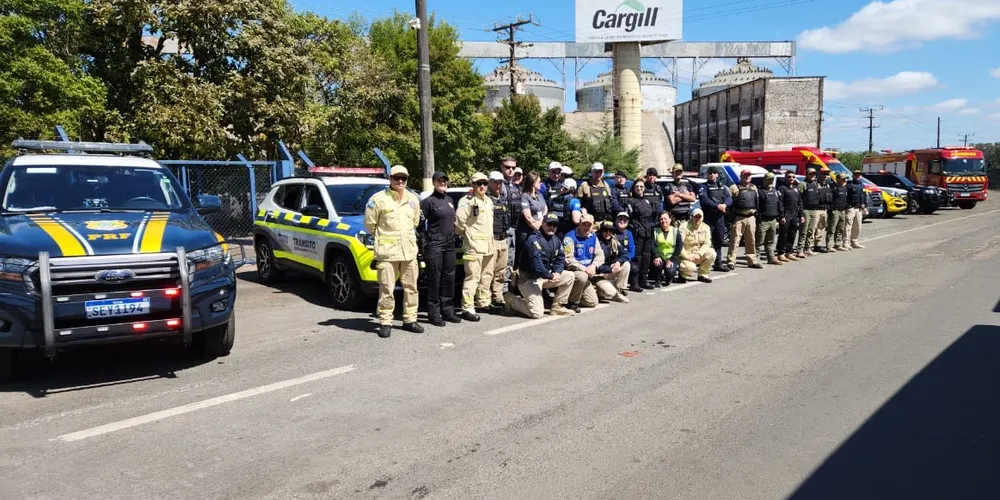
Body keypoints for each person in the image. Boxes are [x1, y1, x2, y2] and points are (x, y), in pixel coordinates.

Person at [364, 165, 424, 338]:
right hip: (387, 253)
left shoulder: (413, 199)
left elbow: (415, 222)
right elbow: (370, 225)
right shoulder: (378, 199)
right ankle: (385, 322)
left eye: (403, 178)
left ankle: (410, 320)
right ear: (390, 179)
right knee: (386, 289)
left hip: (409, 252)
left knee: (411, 288)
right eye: (396, 178)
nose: (400, 181)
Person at [504, 213, 577, 319]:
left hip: (545, 276)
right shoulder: (533, 239)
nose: (552, 227)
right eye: (549, 224)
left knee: (569, 276)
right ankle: (511, 300)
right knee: (537, 313)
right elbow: (536, 265)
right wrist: (550, 276)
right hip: (529, 279)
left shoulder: (556, 240)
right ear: (542, 223)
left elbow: (560, 259)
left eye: (555, 225)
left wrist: (557, 272)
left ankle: (558, 307)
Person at [418, 171, 460, 328]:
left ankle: (448, 311)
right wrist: (424, 241)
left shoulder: (449, 200)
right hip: (435, 243)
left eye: (444, 181)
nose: (443, 183)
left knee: (449, 277)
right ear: (434, 183)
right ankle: (434, 313)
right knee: (434, 279)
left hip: (449, 242)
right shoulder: (428, 202)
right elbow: (419, 224)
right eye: (439, 181)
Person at [455, 172, 495, 322]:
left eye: (485, 183)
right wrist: (466, 235)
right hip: (473, 247)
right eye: (479, 184)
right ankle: (467, 307)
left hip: (488, 246)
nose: (482, 186)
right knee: (473, 277)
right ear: (472, 185)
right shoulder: (467, 201)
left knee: (486, 276)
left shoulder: (488, 201)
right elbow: (459, 222)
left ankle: (483, 302)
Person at [562, 214, 602, 311]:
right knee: (582, 276)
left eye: (589, 225)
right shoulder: (569, 237)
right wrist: (585, 269)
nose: (586, 227)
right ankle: (572, 302)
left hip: (588, 272)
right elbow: (568, 259)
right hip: (573, 271)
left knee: (592, 302)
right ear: (579, 224)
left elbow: (600, 255)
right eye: (584, 224)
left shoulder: (593, 237)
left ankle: (568, 297)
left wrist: (593, 266)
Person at [726, 169, 763, 270]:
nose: (747, 177)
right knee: (735, 240)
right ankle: (731, 261)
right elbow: (728, 201)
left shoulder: (753, 187)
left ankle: (752, 261)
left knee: (751, 239)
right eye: (745, 175)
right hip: (739, 217)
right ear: (741, 176)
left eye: (749, 175)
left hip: (751, 217)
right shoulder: (734, 187)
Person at [486, 171, 511, 312]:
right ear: (489, 182)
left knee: (501, 271)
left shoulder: (503, 198)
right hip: (492, 239)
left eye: (500, 182)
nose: (498, 184)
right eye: (495, 182)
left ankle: (498, 296)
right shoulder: (486, 199)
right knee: (488, 271)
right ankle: (485, 298)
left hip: (503, 238)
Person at [623, 179, 655, 291]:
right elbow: (627, 217)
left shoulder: (647, 201)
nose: (639, 188)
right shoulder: (631, 202)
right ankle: (634, 283)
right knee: (637, 258)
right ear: (634, 188)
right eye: (637, 186)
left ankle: (643, 281)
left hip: (647, 233)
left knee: (646, 257)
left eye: (641, 186)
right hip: (637, 234)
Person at [698, 166, 732, 272]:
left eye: (714, 173)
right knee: (706, 241)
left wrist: (725, 205)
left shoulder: (722, 186)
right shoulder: (703, 187)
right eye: (710, 173)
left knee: (719, 240)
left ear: (717, 174)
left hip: (719, 218)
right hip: (708, 217)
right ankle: (704, 263)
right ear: (707, 175)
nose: (712, 175)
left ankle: (718, 263)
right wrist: (717, 205)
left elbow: (729, 198)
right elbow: (704, 200)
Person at [594, 221, 630, 303]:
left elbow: (625, 254)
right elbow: (594, 264)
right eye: (605, 230)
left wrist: (618, 262)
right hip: (598, 274)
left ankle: (620, 290)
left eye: (610, 231)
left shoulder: (614, 240)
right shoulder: (595, 242)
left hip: (610, 271)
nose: (608, 233)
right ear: (601, 231)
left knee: (626, 264)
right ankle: (602, 291)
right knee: (608, 293)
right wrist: (610, 270)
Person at [515, 171, 546, 265]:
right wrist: (536, 226)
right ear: (533, 183)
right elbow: (528, 217)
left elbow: (545, 208)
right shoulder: (525, 196)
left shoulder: (539, 195)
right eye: (539, 182)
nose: (541, 184)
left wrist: (541, 220)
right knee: (524, 258)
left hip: (539, 230)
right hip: (527, 232)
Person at [679, 208, 715, 283]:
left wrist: (699, 254)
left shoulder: (706, 227)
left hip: (697, 254)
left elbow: (707, 243)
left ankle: (703, 274)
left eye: (699, 217)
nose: (697, 219)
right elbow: (679, 244)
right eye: (695, 216)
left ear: (703, 217)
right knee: (691, 268)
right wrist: (687, 256)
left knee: (712, 253)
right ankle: (682, 275)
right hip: (686, 255)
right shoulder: (683, 227)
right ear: (692, 217)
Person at [757, 172, 785, 265]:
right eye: (768, 179)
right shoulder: (759, 192)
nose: (770, 181)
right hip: (763, 220)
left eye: (772, 180)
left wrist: (781, 216)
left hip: (773, 220)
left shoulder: (775, 191)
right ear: (764, 180)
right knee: (759, 241)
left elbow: (779, 204)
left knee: (770, 241)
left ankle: (771, 257)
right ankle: (756, 258)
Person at [777, 170, 804, 261]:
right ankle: (781, 253)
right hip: (786, 214)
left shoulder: (796, 188)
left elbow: (800, 202)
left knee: (792, 234)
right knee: (783, 234)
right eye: (789, 177)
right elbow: (780, 203)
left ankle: (789, 252)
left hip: (794, 214)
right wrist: (782, 216)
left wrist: (801, 215)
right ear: (785, 178)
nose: (791, 178)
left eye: (793, 177)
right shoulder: (782, 188)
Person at [651, 211, 683, 285]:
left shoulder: (675, 231)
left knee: (670, 271)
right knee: (657, 263)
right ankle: (658, 279)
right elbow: (651, 244)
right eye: (661, 219)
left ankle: (669, 278)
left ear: (670, 220)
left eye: (665, 218)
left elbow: (679, 246)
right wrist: (656, 256)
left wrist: (672, 259)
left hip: (671, 257)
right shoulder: (655, 231)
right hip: (660, 257)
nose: (663, 221)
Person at [799, 168, 823, 257]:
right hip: (806, 210)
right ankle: (800, 250)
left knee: (811, 230)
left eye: (814, 174)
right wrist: (800, 212)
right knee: (803, 231)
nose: (813, 175)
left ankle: (808, 248)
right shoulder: (803, 184)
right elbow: (799, 198)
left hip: (814, 210)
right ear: (807, 174)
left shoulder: (815, 184)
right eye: (811, 174)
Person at [611, 212, 636, 293]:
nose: (622, 221)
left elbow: (632, 250)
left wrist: (626, 258)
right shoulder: (611, 232)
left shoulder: (628, 233)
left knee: (633, 267)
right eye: (620, 219)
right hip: (613, 258)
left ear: (628, 222)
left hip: (625, 258)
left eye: (625, 220)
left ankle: (622, 288)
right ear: (616, 220)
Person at [827, 173, 850, 252]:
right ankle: (829, 245)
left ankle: (838, 244)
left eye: (845, 179)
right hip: (835, 210)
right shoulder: (833, 188)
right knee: (832, 229)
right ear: (838, 179)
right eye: (843, 179)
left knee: (840, 229)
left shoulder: (844, 188)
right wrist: (831, 210)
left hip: (842, 210)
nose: (845, 180)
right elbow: (830, 200)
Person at [845, 170, 867, 250]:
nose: (858, 176)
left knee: (858, 226)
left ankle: (854, 242)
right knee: (848, 226)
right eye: (856, 175)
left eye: (859, 175)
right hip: (851, 208)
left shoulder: (862, 185)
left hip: (859, 208)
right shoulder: (849, 184)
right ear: (853, 175)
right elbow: (845, 196)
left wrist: (865, 206)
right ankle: (846, 243)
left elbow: (864, 196)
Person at [813, 167, 834, 253]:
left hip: (824, 209)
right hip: (816, 209)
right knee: (813, 228)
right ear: (820, 174)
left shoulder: (827, 185)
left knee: (821, 227)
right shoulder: (815, 184)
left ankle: (817, 245)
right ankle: (807, 247)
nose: (826, 176)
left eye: (827, 174)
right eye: (824, 174)